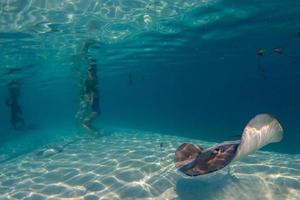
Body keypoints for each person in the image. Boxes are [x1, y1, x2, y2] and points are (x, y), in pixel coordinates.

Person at [75, 40, 101, 136]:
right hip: (96, 111)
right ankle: (97, 133)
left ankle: (95, 135)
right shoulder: (93, 86)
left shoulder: (93, 87)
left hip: (96, 111)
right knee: (85, 123)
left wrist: (88, 99)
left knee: (84, 123)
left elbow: (92, 97)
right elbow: (92, 96)